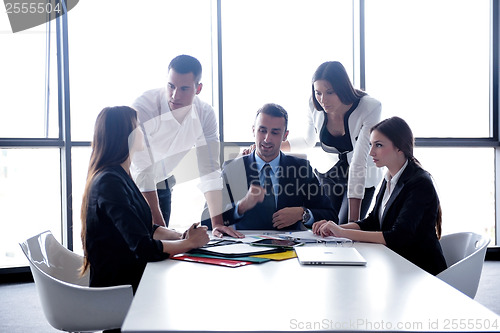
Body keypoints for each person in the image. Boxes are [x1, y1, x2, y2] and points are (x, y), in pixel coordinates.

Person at [81, 106, 210, 294]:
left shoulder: (121, 175)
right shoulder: (109, 182)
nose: (143, 132)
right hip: (118, 290)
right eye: (138, 127)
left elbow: (142, 228)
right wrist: (189, 244)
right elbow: (144, 248)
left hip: (131, 278)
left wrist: (180, 236)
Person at [312, 117, 447, 275]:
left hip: (420, 270)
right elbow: (373, 221)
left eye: (379, 145)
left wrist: (341, 233)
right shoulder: (389, 176)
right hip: (396, 264)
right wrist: (333, 228)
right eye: (371, 145)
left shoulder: (420, 183)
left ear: (400, 147)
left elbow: (398, 237)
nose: (371, 152)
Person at [211, 103, 338, 238]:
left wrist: (303, 213)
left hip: (289, 246)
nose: (267, 139)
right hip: (244, 246)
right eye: (262, 130)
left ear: (285, 135)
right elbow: (208, 219)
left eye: (275, 132)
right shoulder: (232, 169)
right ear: (254, 130)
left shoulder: (301, 169)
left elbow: (330, 216)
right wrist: (240, 207)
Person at [282, 61, 382, 224]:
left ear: (342, 88)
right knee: (323, 225)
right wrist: (272, 145)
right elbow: (308, 140)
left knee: (343, 227)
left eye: (329, 92)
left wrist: (351, 224)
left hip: (361, 175)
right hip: (329, 174)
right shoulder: (313, 104)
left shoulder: (370, 107)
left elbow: (359, 162)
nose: (323, 99)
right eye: (318, 92)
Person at [130, 54, 223, 228]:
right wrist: (162, 230)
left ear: (199, 88)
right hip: (130, 182)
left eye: (184, 89)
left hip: (163, 182)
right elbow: (143, 170)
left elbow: (209, 168)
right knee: (143, 243)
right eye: (171, 86)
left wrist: (217, 223)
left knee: (161, 250)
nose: (175, 95)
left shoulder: (205, 115)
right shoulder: (144, 107)